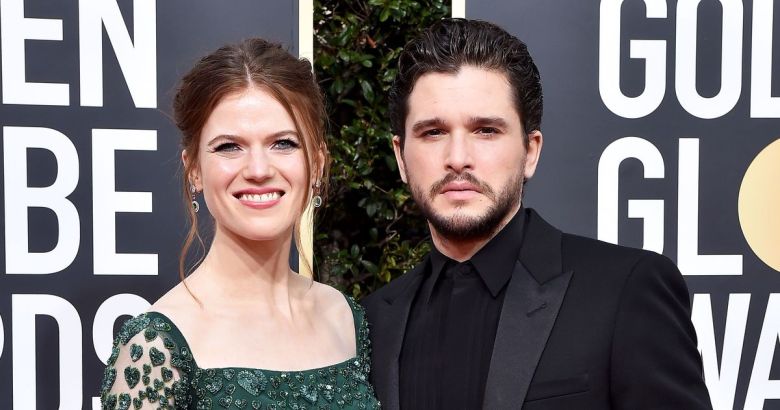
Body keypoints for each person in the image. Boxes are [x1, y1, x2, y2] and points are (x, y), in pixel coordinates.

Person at [362, 19, 712, 410]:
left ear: (530, 151)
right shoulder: (373, 323)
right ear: (400, 157)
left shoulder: (625, 291)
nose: (458, 158)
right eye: (433, 132)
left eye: (486, 130)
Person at [99, 39, 379, 409]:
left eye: (284, 143)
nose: (259, 170)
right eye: (229, 146)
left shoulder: (345, 319)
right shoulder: (155, 346)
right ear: (194, 169)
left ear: (317, 163)